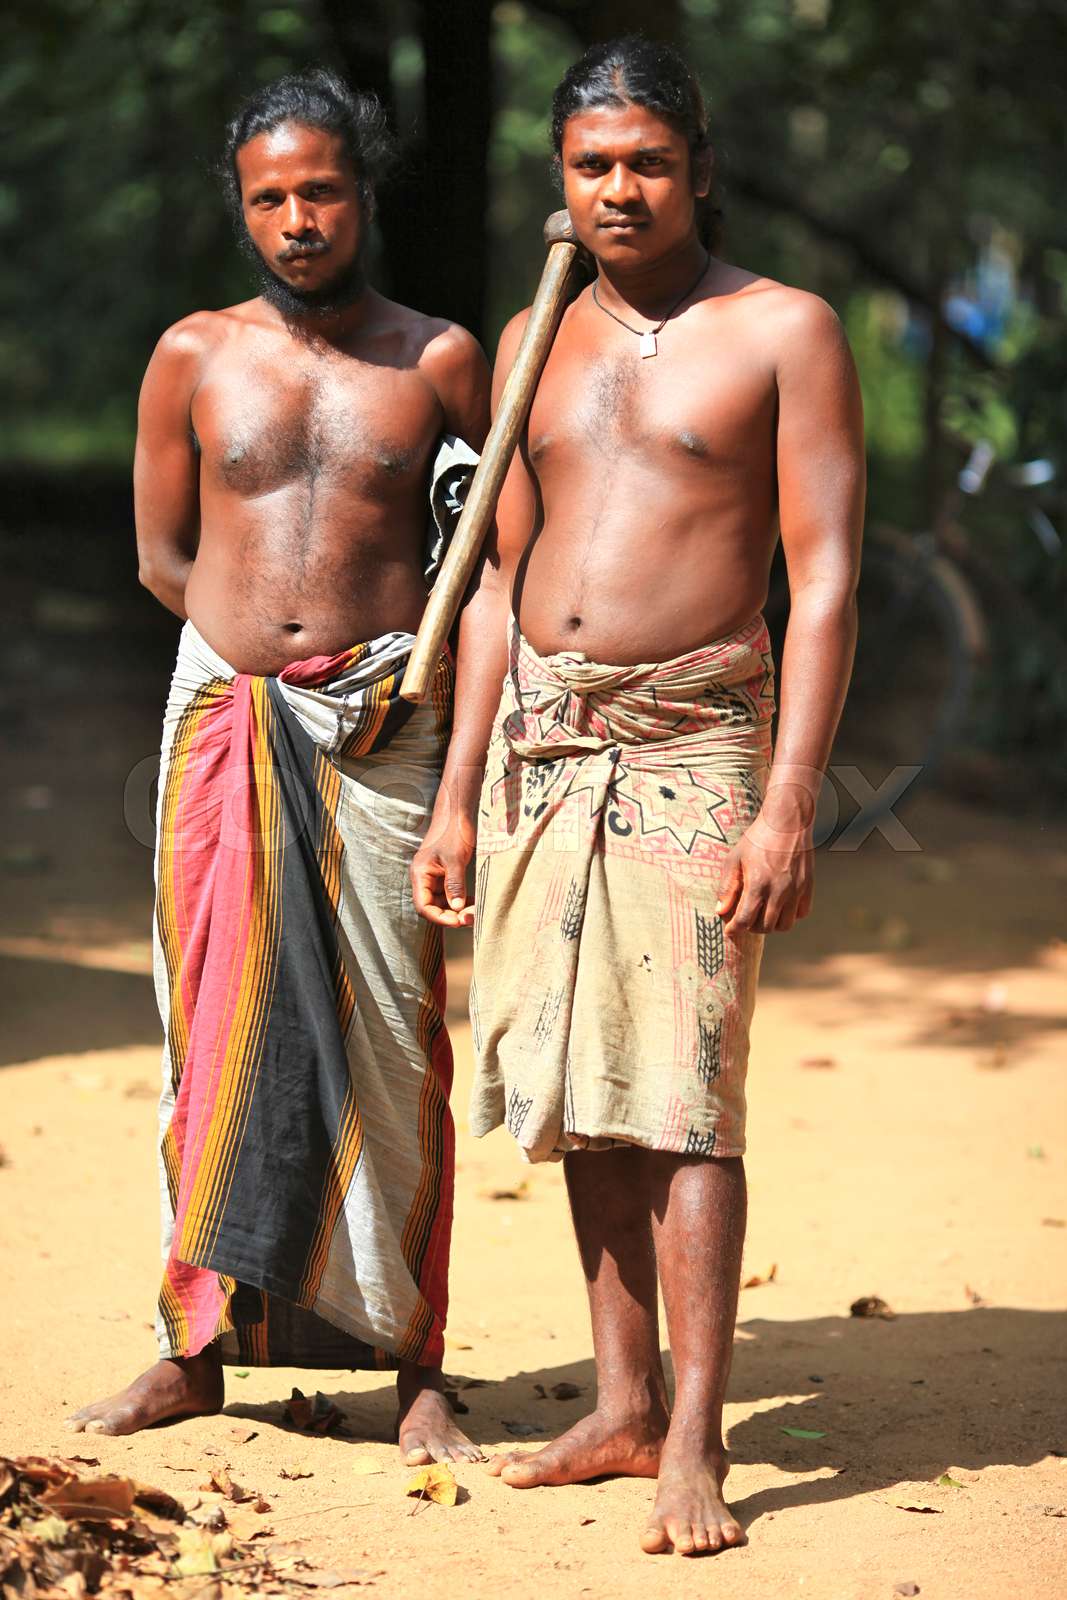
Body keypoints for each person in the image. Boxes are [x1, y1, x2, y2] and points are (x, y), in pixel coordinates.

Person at [412, 36, 864, 1553]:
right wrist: (462, 788)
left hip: (696, 746)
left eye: (648, 162)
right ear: (562, 182)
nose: (620, 188)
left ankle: (695, 1440)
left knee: (687, 1098)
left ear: (702, 167)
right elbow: (492, 585)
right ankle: (616, 1402)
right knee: (581, 1090)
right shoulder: (535, 332)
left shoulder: (784, 331)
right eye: (594, 166)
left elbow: (827, 580)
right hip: (547, 742)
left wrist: (789, 799)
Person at [66, 68, 490, 1466]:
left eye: (321, 191)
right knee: (215, 1036)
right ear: (241, 210)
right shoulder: (192, 354)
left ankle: (412, 1359)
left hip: (386, 731)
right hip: (229, 722)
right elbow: (158, 553)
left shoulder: (438, 361)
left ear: (365, 195)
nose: (298, 220)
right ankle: (197, 1350)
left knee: (390, 1041)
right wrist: (249, 654)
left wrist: (393, 703)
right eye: (271, 198)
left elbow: (483, 562)